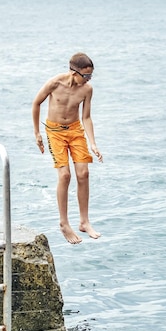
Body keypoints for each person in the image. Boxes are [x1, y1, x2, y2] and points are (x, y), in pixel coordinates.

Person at [32, 52, 103, 244]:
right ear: (74, 72)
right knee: (65, 175)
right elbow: (36, 103)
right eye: (85, 76)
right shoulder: (55, 83)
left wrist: (93, 143)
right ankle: (64, 223)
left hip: (75, 130)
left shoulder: (87, 90)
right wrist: (37, 133)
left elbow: (86, 117)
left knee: (83, 173)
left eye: (90, 76)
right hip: (55, 132)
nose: (88, 80)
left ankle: (84, 221)